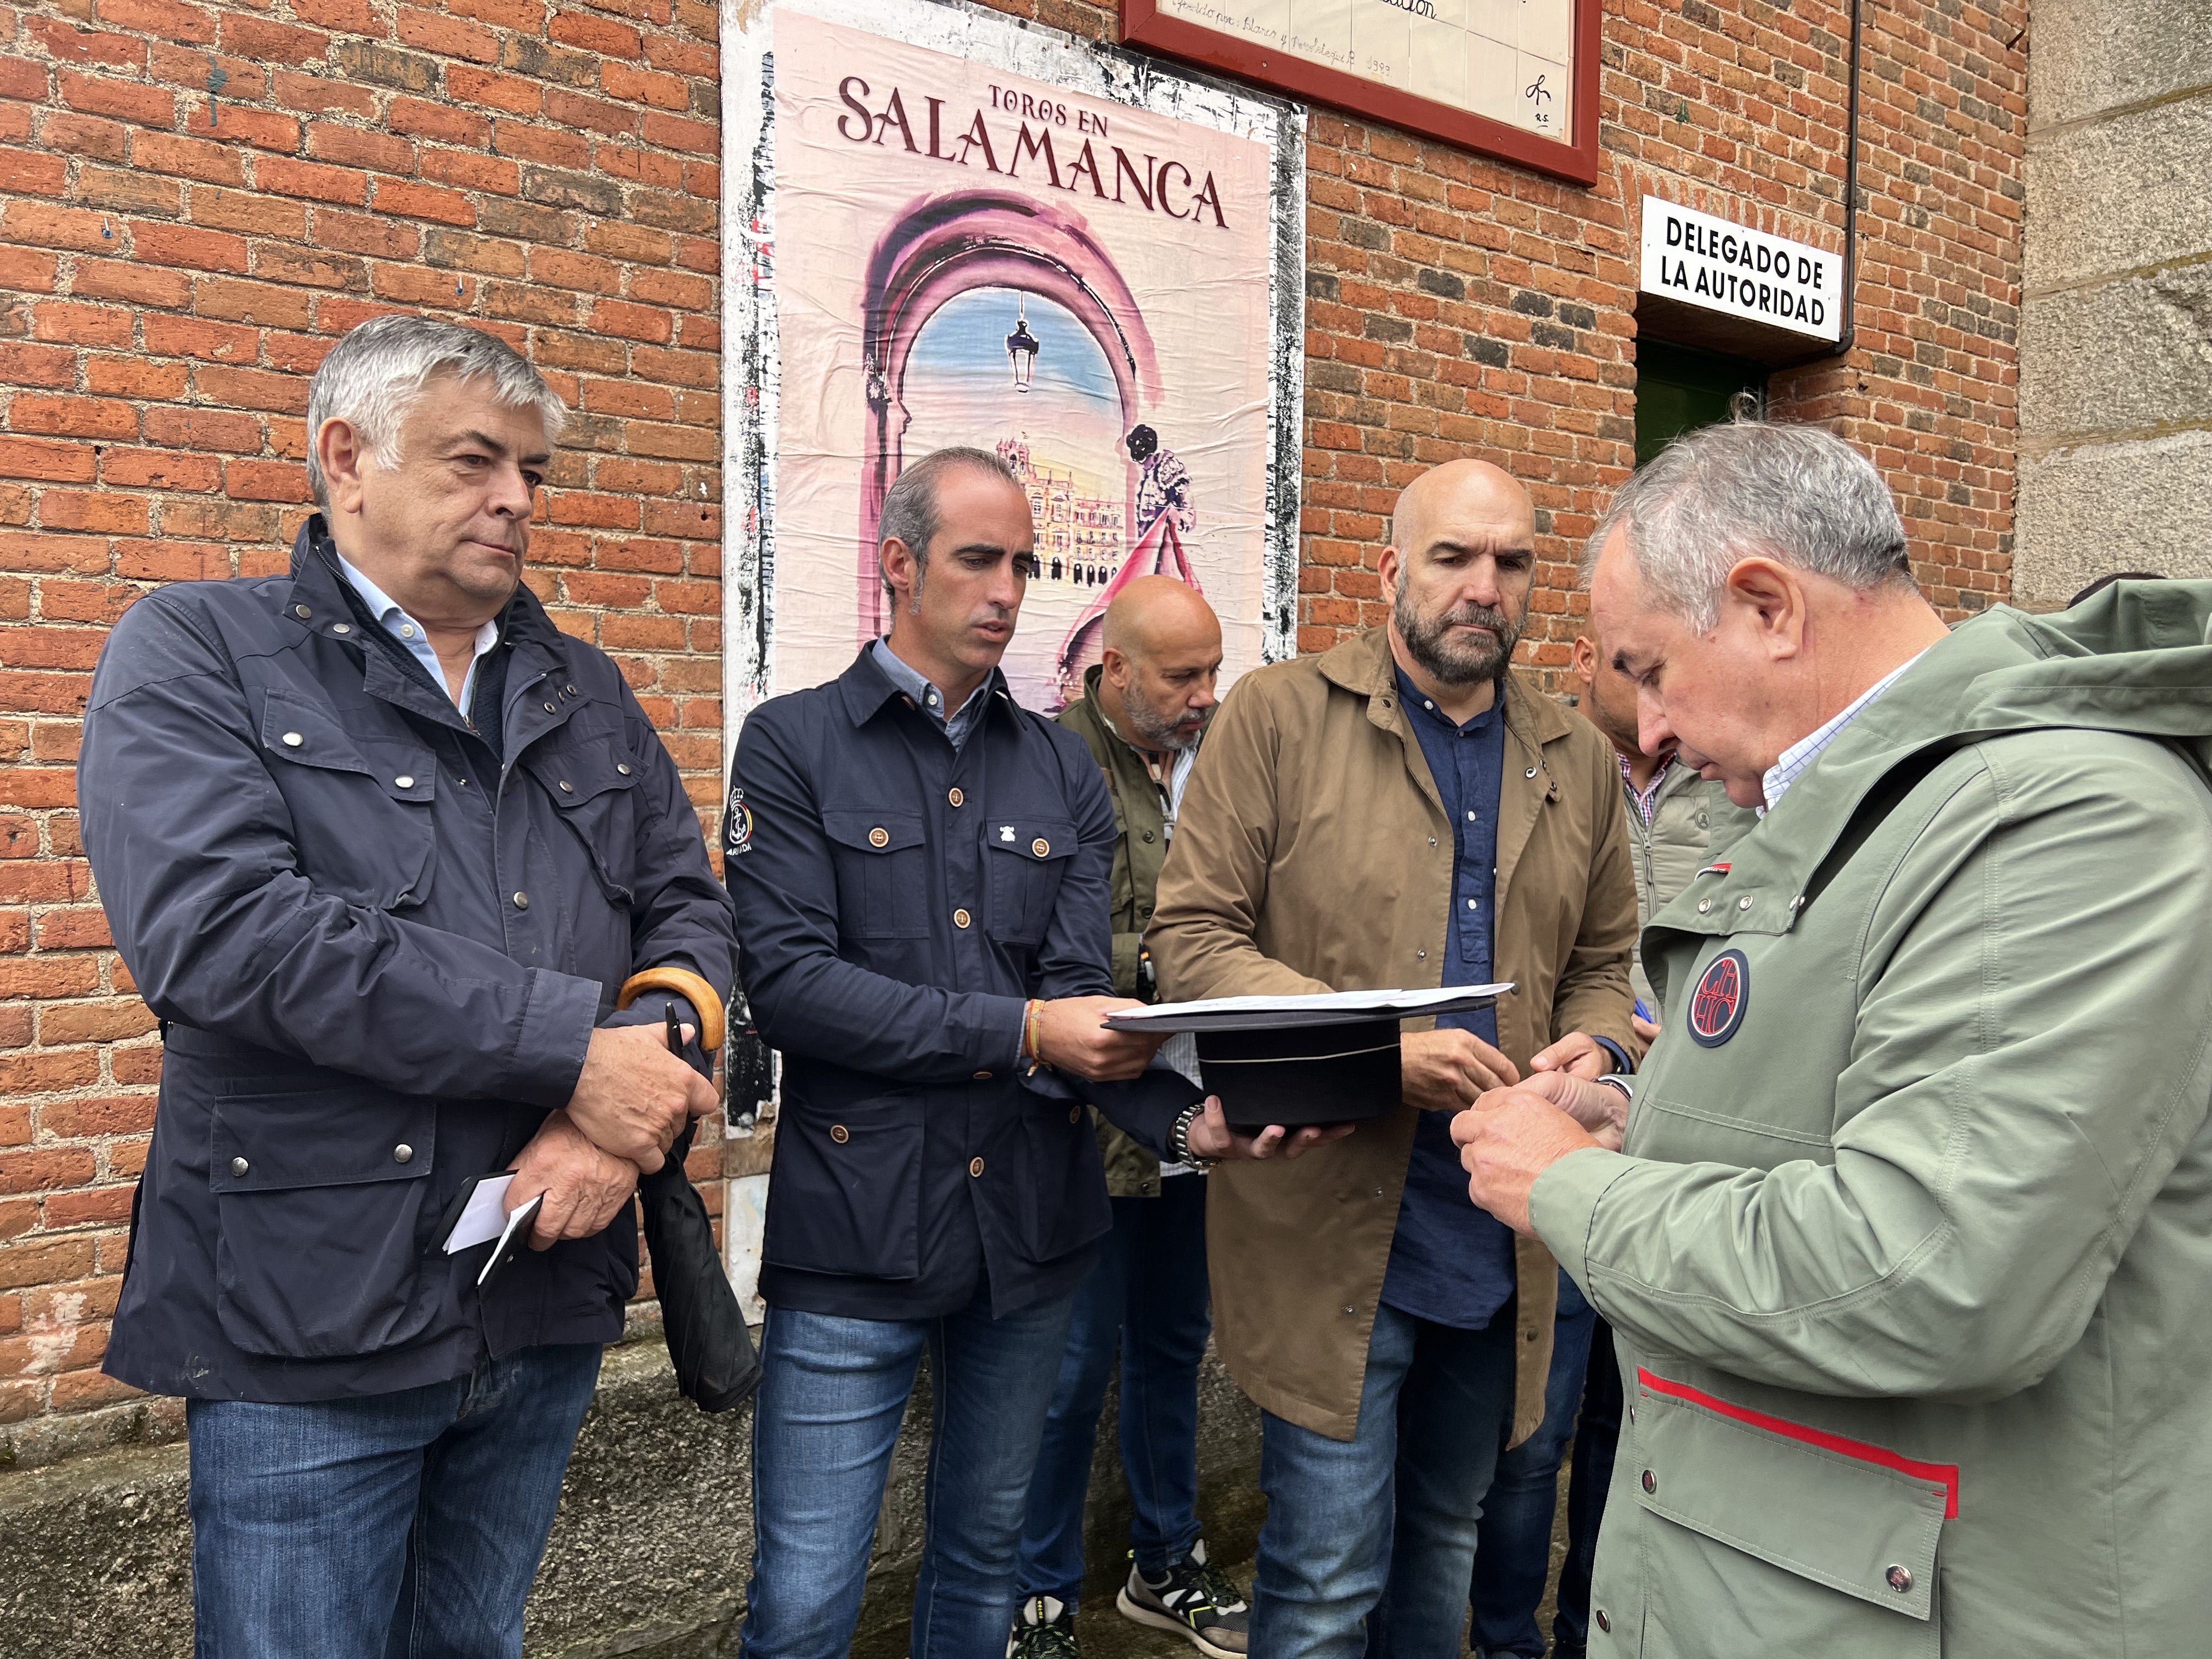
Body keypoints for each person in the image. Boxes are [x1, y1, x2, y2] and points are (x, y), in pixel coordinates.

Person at [1454, 419, 2212, 1656]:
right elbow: (1858, 1117)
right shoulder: (1901, 807)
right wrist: (1646, 1126)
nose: (1643, 731)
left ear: (1766, 606)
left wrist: (1576, 1191)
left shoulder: (2062, 821)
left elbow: (1935, 1270)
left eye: (1649, 671)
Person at [77, 315, 738, 1657]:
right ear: (347, 460)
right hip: (309, 1316)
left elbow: (692, 912)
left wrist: (625, 1097)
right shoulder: (196, 653)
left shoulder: (585, 690)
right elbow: (227, 936)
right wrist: (572, 1050)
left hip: (544, 1288)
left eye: (534, 473)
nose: (515, 499)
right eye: (475, 462)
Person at [724, 448, 1336, 1659]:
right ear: (899, 564)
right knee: (803, 1603)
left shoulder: (1058, 764)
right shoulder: (792, 748)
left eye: (1023, 563)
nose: (1008, 590)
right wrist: (1016, 1032)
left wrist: (1180, 1124)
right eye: (977, 559)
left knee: (985, 1569)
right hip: (858, 1236)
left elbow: (1079, 995)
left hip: (1032, 1233)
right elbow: (794, 990)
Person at [1149, 458, 1640, 1658]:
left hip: (1503, 1237)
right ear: (1389, 574)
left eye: (1513, 563)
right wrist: (1377, 1049)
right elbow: (1191, 941)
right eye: (1453, 558)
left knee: (1443, 1568)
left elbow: (1608, 955)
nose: (1485, 587)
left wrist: (1602, 1034)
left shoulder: (1574, 756)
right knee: (1321, 1584)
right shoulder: (1275, 717)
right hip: (1332, 1230)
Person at [1465, 630, 1756, 1659]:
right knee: (1533, 1435)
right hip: (1570, 1121)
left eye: (1666, 674)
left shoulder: (1732, 773)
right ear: (1585, 655)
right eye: (1634, 674)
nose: (1654, 705)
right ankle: (1506, 1637)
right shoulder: (1534, 764)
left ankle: (1597, 1629)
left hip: (1681, 1136)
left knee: (1631, 1431)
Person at [1012, 577, 1248, 1658]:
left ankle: (1167, 1567)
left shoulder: (1230, 766)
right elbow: (1028, 950)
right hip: (1090, 1133)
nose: (1205, 695)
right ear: (1115, 672)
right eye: (1182, 676)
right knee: (1069, 1377)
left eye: (1213, 672)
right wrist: (1160, 965)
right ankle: (1041, 1596)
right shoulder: (1052, 764)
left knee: (1173, 1351)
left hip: (1204, 1128)